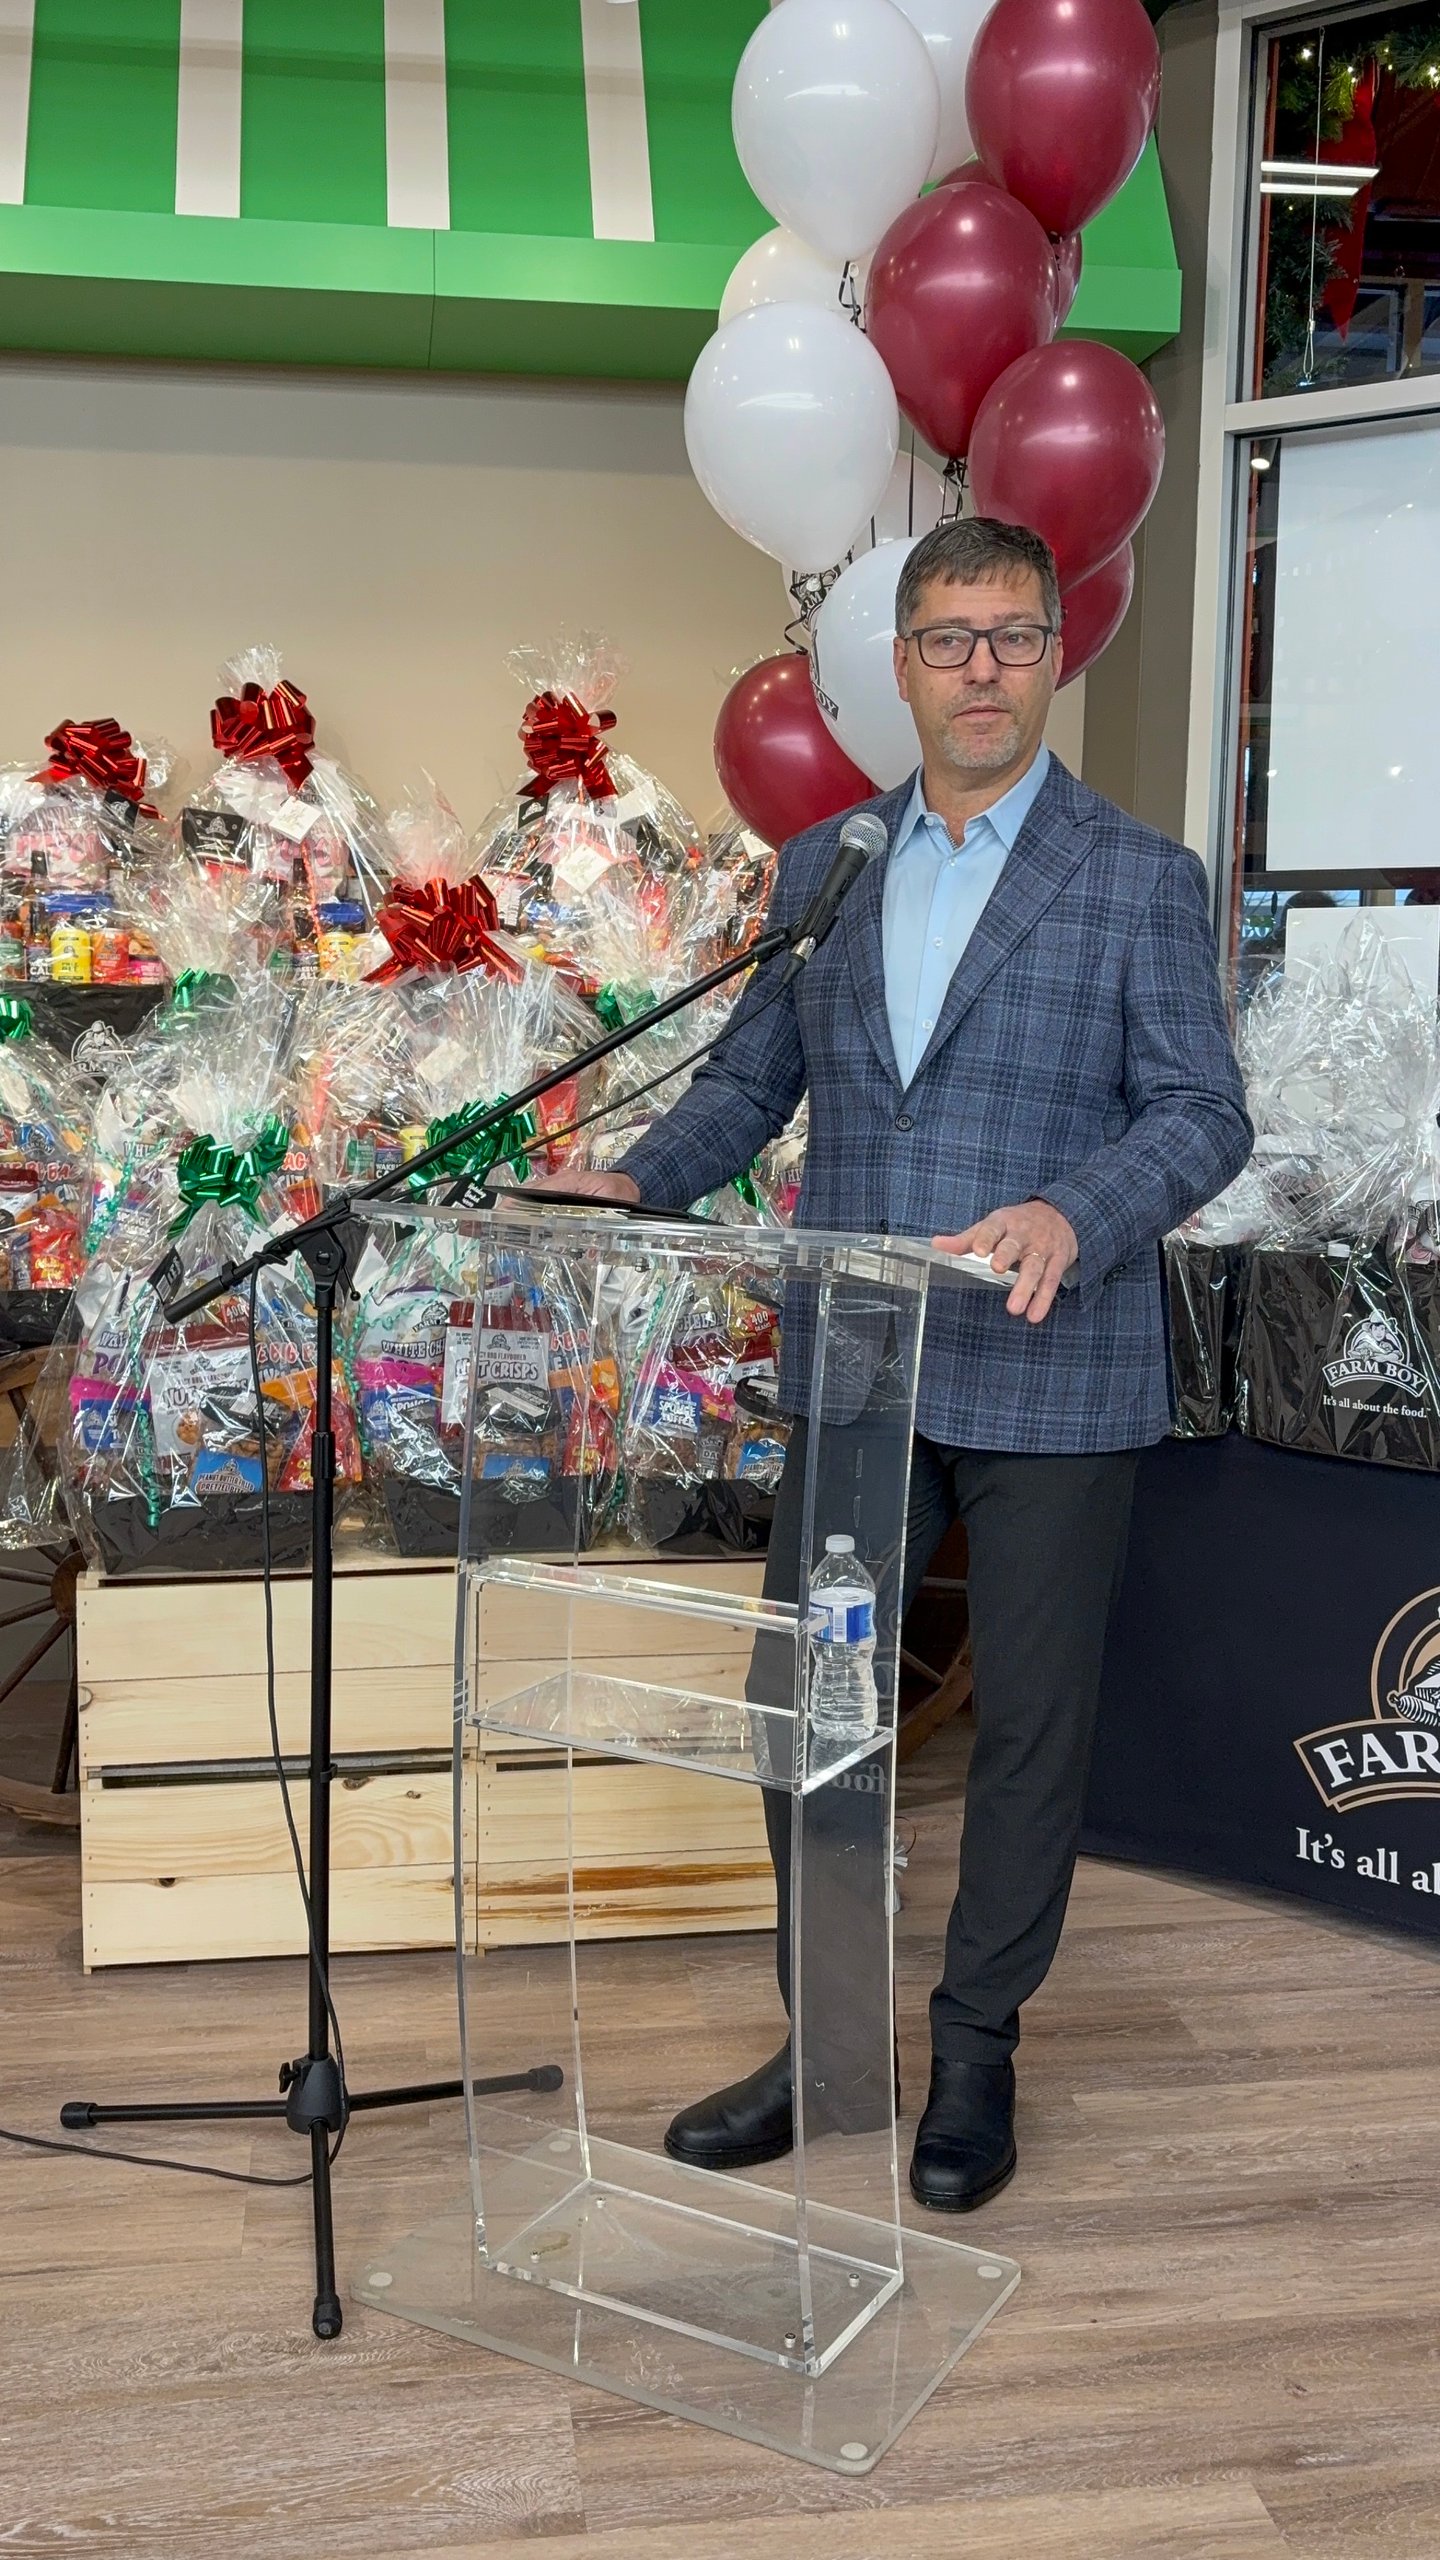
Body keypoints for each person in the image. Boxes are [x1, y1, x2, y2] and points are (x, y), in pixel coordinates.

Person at [541, 517, 1252, 2212]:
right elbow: (747, 1084)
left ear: (1053, 657)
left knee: (1027, 1733)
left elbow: (1206, 1112)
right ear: (904, 665)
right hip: (862, 1366)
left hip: (1052, 1364)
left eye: (1014, 637)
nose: (983, 669)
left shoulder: (1139, 875)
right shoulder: (828, 866)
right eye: (951, 639)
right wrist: (637, 1173)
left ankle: (980, 2051)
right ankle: (831, 2047)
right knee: (814, 1713)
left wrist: (1080, 1210)